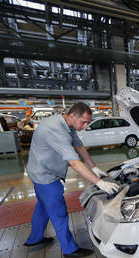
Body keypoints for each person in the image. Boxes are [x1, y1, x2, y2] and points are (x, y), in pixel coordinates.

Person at [25, 103, 119, 257]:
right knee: (59, 214)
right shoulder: (56, 130)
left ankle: (35, 238)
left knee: (42, 207)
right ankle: (69, 250)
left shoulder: (67, 124)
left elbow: (79, 146)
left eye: (88, 122)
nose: (86, 125)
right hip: (46, 176)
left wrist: (94, 167)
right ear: (72, 116)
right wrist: (99, 182)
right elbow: (74, 162)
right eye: (84, 122)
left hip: (38, 171)